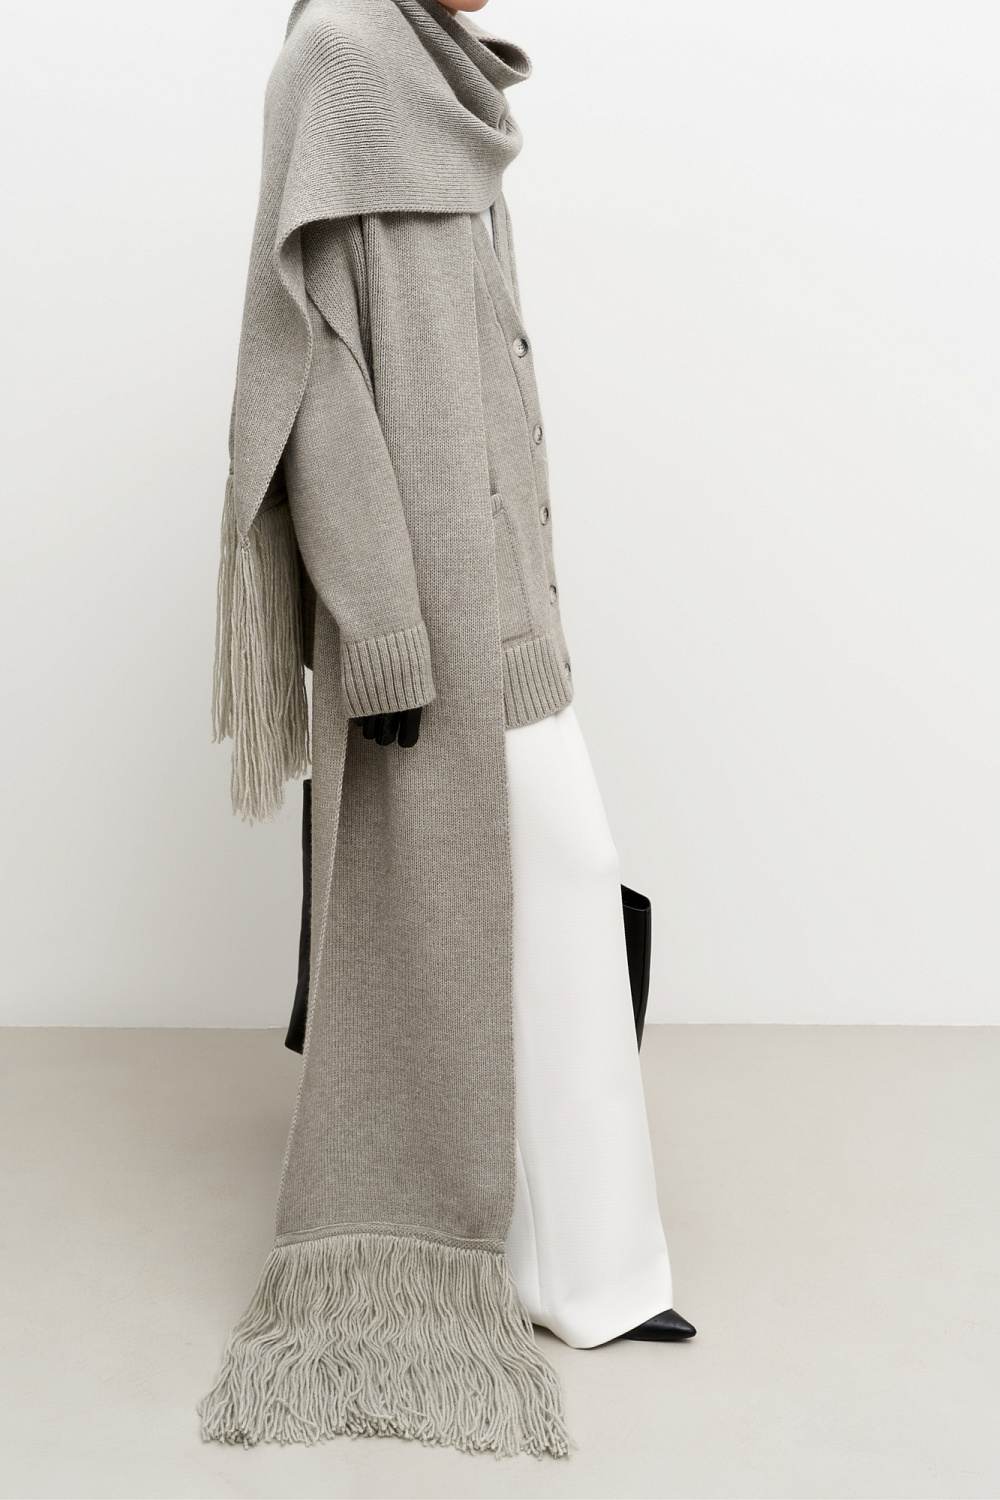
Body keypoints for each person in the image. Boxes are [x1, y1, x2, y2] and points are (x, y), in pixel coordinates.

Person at [203, 0, 693, 1458]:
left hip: (503, 584)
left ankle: (588, 1266)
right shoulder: (341, 61)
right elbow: (309, 373)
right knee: (535, 880)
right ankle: (554, 1264)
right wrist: (376, 615)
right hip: (421, 594)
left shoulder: (446, 78)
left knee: (555, 889)